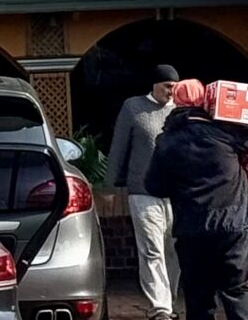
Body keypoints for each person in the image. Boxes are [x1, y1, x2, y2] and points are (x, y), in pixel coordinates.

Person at [144, 78, 248, 320]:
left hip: (191, 229)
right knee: (238, 290)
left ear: (176, 104)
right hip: (232, 226)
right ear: (206, 101)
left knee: (198, 299)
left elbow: (153, 187)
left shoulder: (166, 142)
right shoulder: (225, 133)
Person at [107, 64, 181, 318]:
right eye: (167, 86)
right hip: (143, 190)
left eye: (175, 87)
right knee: (151, 249)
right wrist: (110, 186)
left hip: (176, 193)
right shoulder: (133, 107)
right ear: (155, 84)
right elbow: (118, 147)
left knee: (173, 249)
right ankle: (161, 306)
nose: (171, 92)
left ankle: (170, 300)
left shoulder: (180, 111)